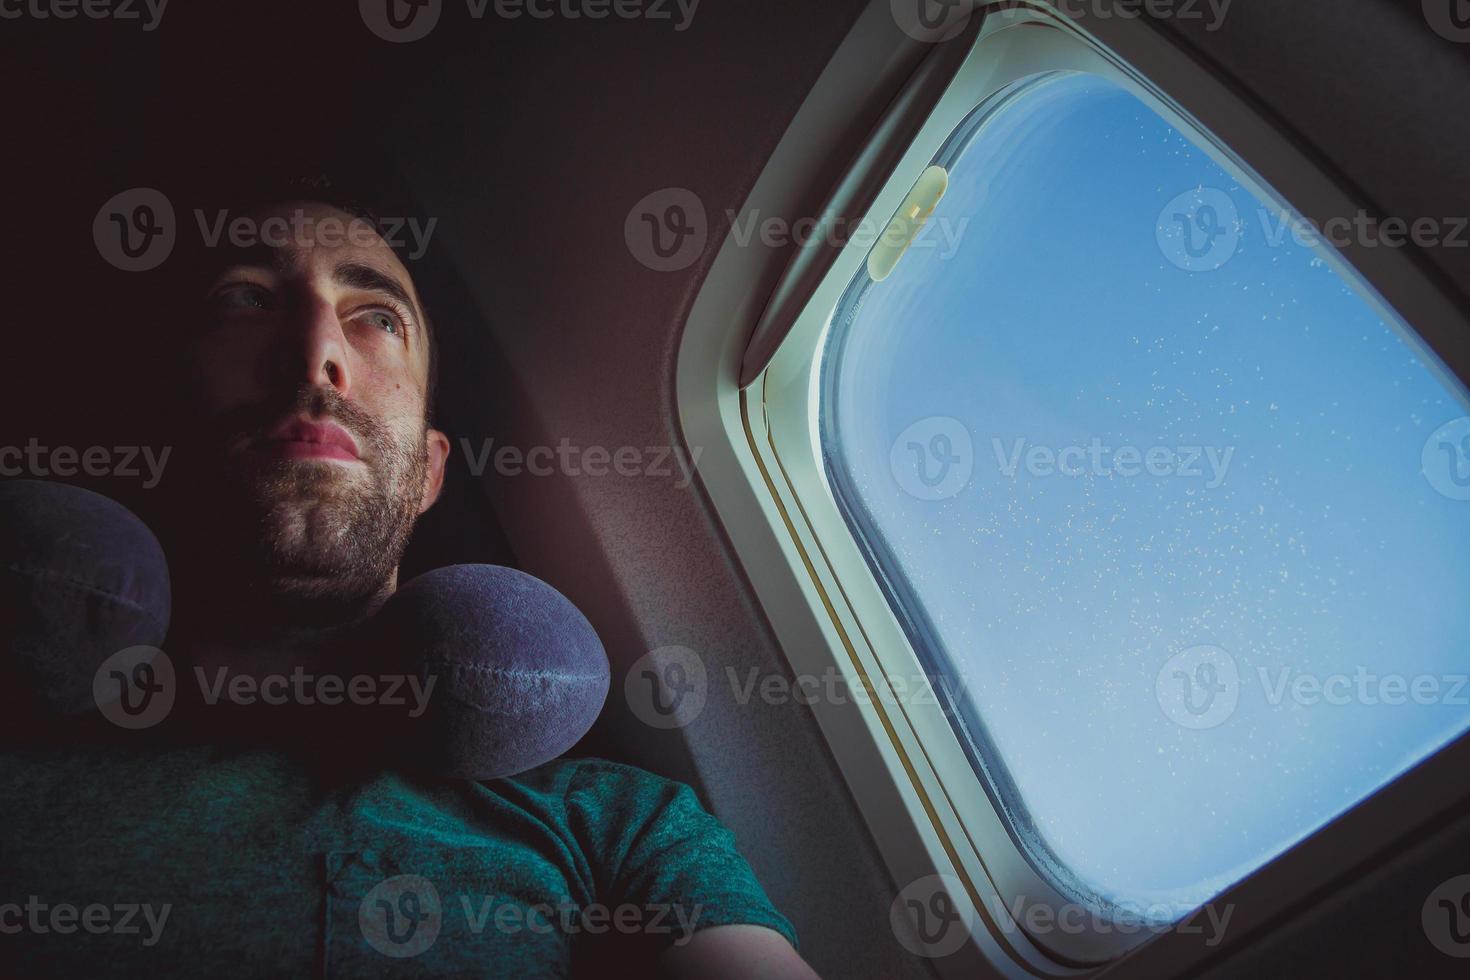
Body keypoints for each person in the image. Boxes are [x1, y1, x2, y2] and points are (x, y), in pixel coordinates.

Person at [0, 189, 821, 979]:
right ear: (163, 425)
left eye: (378, 319)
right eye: (246, 299)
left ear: (428, 472)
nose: (315, 353)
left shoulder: (615, 825)